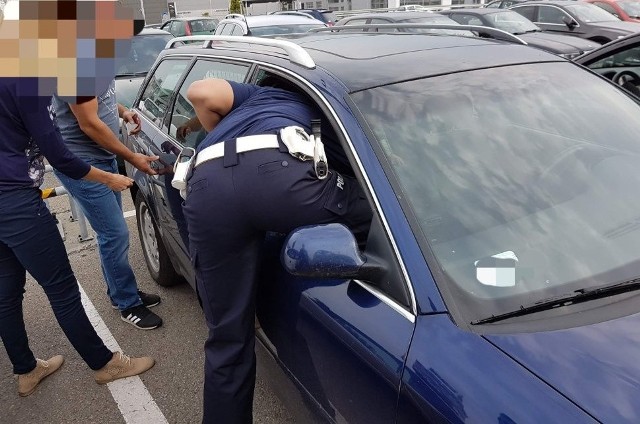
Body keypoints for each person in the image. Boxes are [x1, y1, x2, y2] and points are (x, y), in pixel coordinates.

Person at [182, 78, 373, 423]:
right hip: (281, 175)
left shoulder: (261, 93)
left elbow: (201, 92)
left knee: (227, 339)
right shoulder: (326, 99)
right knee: (382, 216)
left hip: (206, 186)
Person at [0, 76, 155, 397]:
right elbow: (58, 153)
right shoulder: (25, 82)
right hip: (15, 201)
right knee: (63, 291)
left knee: (6, 294)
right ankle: (105, 364)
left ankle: (26, 370)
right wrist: (108, 177)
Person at [50, 83, 166, 330]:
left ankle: (120, 293)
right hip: (84, 165)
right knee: (114, 234)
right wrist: (132, 157)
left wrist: (123, 111)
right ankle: (127, 303)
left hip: (101, 157)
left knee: (112, 233)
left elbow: (100, 99)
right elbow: (89, 123)